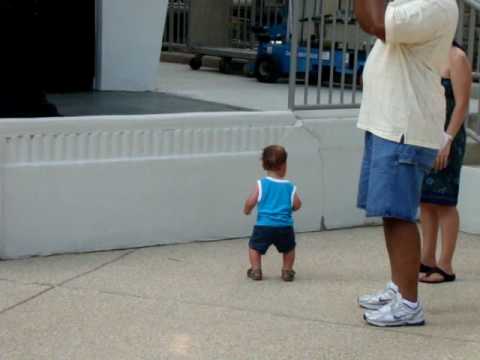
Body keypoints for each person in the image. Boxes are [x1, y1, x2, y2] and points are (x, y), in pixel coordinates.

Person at [354, 0, 459, 327]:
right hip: (387, 122)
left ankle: (409, 304)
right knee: (391, 212)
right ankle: (400, 288)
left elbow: (374, 23)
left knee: (399, 214)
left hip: (404, 127)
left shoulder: (434, 5)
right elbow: (372, 19)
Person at [419, 42, 472, 284]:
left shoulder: (457, 57)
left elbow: (462, 104)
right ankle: (426, 259)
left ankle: (446, 264)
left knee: (444, 201)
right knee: (426, 200)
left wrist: (447, 139)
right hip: (425, 135)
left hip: (448, 137)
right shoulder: (426, 53)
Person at [243, 145, 302, 282]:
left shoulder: (261, 184)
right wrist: (290, 209)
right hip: (284, 227)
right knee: (289, 249)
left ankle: (256, 270)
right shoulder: (289, 186)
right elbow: (297, 204)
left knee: (254, 248)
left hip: (264, 226)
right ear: (284, 166)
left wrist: (247, 210)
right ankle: (287, 271)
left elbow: (251, 201)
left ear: (263, 164)